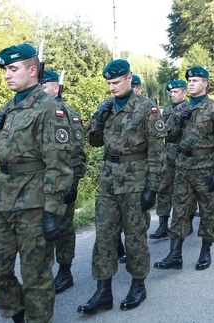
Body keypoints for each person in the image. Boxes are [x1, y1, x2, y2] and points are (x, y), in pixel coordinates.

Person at [0, 44, 74, 323]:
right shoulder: (8, 108)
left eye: (13, 69)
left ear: (32, 70)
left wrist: (52, 210)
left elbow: (59, 164)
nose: (7, 76)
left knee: (36, 275)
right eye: (6, 71)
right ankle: (20, 315)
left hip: (35, 202)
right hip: (5, 200)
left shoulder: (49, 109)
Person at [79, 59, 165, 313]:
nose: (111, 88)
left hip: (136, 181)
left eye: (116, 83)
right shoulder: (106, 107)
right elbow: (94, 141)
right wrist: (100, 114)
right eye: (108, 83)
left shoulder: (146, 109)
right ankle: (103, 291)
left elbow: (157, 152)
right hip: (108, 181)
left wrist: (153, 187)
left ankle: (138, 285)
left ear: (129, 79)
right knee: (104, 236)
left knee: (135, 236)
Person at [154, 66, 214, 271]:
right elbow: (169, 136)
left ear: (205, 83)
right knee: (179, 210)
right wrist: (179, 118)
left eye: (196, 80)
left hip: (206, 168)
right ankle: (175, 255)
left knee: (207, 211)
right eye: (189, 80)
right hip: (183, 167)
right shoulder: (180, 109)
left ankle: (205, 252)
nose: (191, 83)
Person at [40, 70, 87, 295]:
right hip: (37, 183)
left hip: (62, 182)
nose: (39, 90)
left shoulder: (67, 114)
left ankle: (65, 271)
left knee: (63, 227)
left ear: (56, 88)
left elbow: (77, 152)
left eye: (44, 86)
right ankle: (41, 273)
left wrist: (74, 184)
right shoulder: (34, 112)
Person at [150, 79, 188, 240]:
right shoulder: (166, 110)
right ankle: (163, 225)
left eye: (176, 92)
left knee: (184, 192)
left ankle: (185, 222)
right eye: (171, 92)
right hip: (168, 155)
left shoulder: (189, 109)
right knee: (164, 189)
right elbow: (162, 131)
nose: (173, 95)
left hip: (184, 156)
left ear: (184, 93)